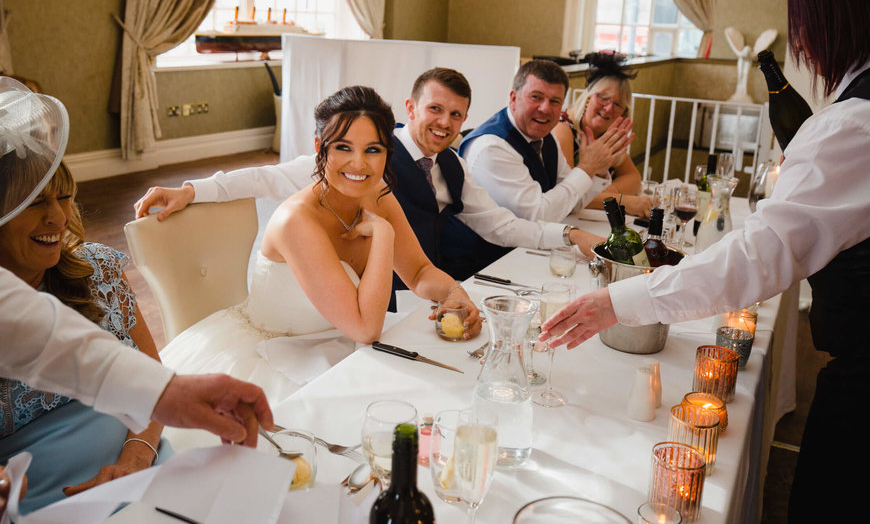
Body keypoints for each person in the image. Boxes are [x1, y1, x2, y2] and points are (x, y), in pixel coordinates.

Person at [539, 0, 870, 522]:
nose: (803, 41)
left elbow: (762, 254)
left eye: (806, 23)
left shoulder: (861, 124)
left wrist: (621, 300)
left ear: (844, 16)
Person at [0, 67, 271, 522]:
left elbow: (148, 379)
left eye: (65, 196)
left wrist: (136, 454)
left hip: (139, 477)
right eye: (35, 203)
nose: (57, 218)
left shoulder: (101, 271)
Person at [158, 86, 482, 407]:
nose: (359, 164)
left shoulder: (377, 192)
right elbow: (366, 329)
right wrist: (383, 234)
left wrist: (453, 292)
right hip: (277, 358)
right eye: (343, 147)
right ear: (319, 147)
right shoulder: (296, 220)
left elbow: (419, 271)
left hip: (341, 347)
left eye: (373, 150)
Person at [134, 68, 604, 284]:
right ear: (411, 108)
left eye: (456, 115)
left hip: (427, 286)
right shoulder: (366, 155)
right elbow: (273, 177)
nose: (444, 122)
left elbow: (500, 225)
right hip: (374, 292)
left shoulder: (455, 165)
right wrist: (194, 189)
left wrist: (566, 233)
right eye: (435, 109)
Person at [457, 59, 634, 223]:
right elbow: (537, 215)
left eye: (555, 101)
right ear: (513, 99)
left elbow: (573, 201)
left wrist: (599, 169)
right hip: (488, 255)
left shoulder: (546, 138)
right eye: (536, 97)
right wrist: (588, 168)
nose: (545, 108)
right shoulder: (491, 147)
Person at [551, 51, 651, 217]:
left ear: (624, 113)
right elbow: (567, 195)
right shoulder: (564, 129)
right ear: (589, 98)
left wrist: (604, 195)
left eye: (618, 104)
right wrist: (621, 201)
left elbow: (633, 178)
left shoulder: (606, 135)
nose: (609, 108)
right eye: (603, 98)